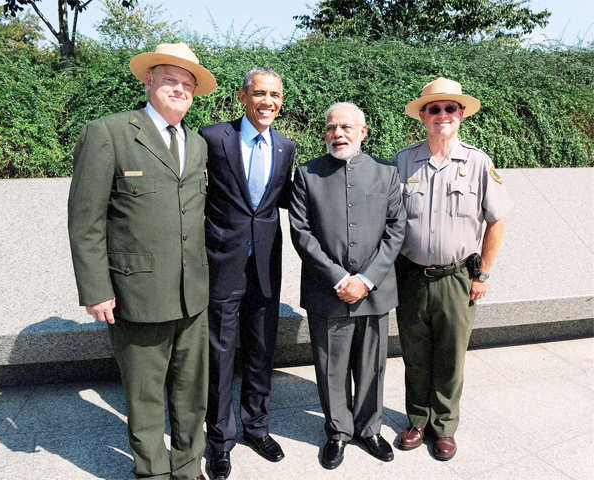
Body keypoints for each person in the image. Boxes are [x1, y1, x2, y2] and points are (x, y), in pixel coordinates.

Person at [68, 43, 216, 480]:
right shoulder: (109, 133)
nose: (180, 89)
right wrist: (96, 289)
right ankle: (152, 473)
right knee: (145, 396)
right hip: (136, 292)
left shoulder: (198, 142)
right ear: (148, 81)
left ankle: (189, 470)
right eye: (170, 79)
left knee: (192, 395)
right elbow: (86, 219)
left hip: (193, 294)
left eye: (187, 84)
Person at [393, 77, 511, 461]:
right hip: (410, 275)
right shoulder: (403, 160)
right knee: (414, 353)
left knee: (450, 357)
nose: (442, 115)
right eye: (434, 108)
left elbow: (497, 220)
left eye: (450, 108)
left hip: (458, 278)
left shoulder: (478, 162)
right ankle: (417, 420)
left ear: (460, 115)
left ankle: (444, 427)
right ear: (422, 116)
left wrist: (484, 274)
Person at [289, 102, 406, 470]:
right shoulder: (307, 174)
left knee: (372, 365)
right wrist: (340, 277)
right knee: (331, 366)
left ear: (363, 131)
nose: (337, 134)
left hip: (375, 289)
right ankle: (338, 431)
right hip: (328, 289)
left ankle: (370, 429)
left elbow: (396, 229)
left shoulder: (386, 173)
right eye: (331, 128)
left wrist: (366, 279)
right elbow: (301, 232)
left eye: (346, 128)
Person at [199, 67, 295, 480]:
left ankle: (257, 426)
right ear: (243, 97)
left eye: (274, 95)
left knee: (261, 349)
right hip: (222, 263)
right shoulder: (212, 138)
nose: (267, 101)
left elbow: (285, 201)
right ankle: (220, 440)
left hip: (266, 266)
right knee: (220, 354)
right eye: (259, 93)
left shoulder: (285, 147)